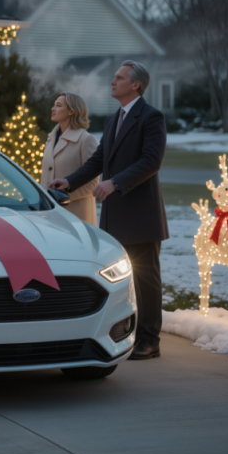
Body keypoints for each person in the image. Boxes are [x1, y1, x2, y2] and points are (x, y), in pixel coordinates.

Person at [49, 61, 168, 360]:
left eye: (119, 78)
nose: (112, 82)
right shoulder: (116, 118)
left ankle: (150, 341)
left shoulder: (151, 117)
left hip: (142, 215)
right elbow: (98, 160)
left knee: (146, 279)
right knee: (122, 279)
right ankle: (129, 333)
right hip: (115, 216)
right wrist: (69, 181)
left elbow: (151, 162)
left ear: (136, 85)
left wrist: (115, 183)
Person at [40, 92, 99, 225]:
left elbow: (92, 183)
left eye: (58, 105)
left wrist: (60, 197)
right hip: (50, 214)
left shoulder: (86, 139)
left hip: (76, 215)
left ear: (71, 111)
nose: (52, 108)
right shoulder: (50, 138)